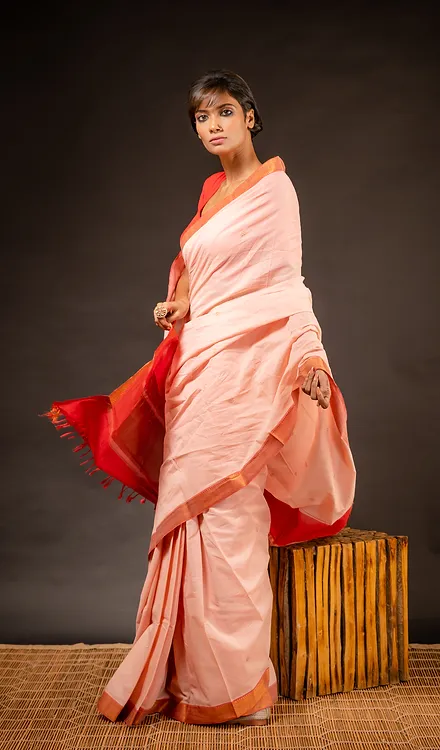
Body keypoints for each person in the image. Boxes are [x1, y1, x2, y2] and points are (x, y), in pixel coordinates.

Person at [43, 69, 356, 726]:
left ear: (249, 116)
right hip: (198, 368)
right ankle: (186, 677)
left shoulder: (274, 190)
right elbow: (194, 267)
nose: (212, 127)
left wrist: (311, 355)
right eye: (201, 118)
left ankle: (237, 688)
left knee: (231, 517)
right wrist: (178, 304)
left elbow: (286, 284)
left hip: (249, 370)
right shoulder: (213, 192)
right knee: (190, 521)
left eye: (223, 112)